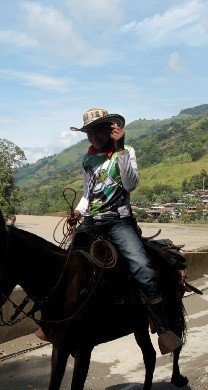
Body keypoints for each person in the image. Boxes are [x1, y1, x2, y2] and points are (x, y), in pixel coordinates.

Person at [68, 108, 164, 309]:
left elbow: (130, 184)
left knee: (141, 265)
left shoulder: (126, 151)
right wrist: (78, 212)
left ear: (111, 129)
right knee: (67, 261)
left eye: (97, 131)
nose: (93, 137)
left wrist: (119, 149)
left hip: (118, 222)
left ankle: (159, 315)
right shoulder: (87, 159)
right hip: (91, 221)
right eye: (89, 133)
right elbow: (88, 193)